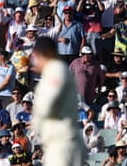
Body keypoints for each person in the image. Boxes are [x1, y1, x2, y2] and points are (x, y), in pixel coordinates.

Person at [32, 36, 87, 166]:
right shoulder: (53, 71)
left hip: (63, 143)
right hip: (59, 142)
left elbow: (48, 104)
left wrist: (35, 121)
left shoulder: (56, 70)